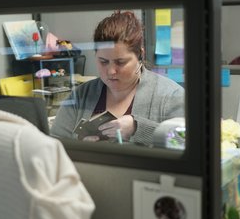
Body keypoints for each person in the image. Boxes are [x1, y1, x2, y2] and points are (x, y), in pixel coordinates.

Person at [50, 11, 184, 145]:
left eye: (120, 62)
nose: (111, 71)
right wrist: (81, 146)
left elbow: (186, 143)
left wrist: (138, 129)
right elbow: (55, 144)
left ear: (140, 55)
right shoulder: (81, 96)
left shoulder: (171, 96)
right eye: (103, 61)